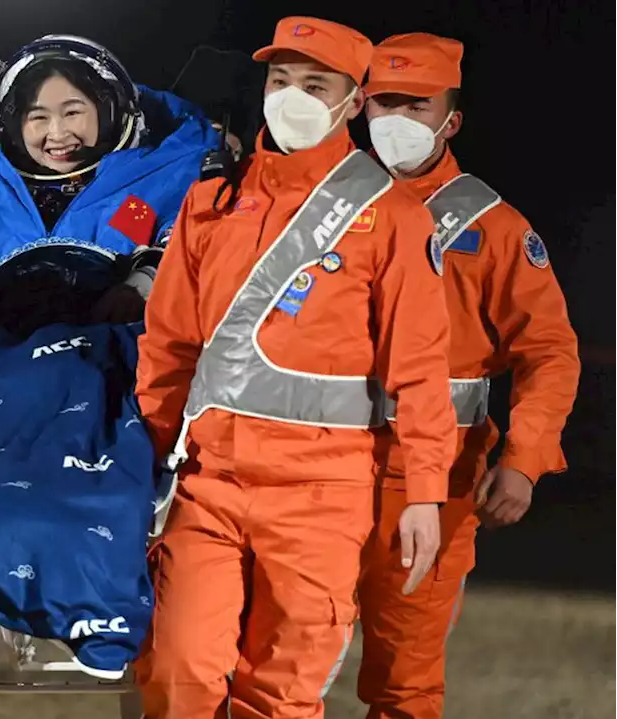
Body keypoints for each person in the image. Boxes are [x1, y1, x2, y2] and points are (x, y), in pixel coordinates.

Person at [134, 17, 457, 718]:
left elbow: (420, 366)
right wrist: (144, 456)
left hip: (325, 497)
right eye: (280, 81)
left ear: (354, 100)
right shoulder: (210, 201)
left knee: (280, 692)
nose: (292, 98)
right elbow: (168, 348)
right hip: (207, 483)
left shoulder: (394, 217)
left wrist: (425, 490)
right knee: (178, 670)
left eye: (316, 85)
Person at [356, 34, 580, 719]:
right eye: (383, 101)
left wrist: (525, 456)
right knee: (278, 656)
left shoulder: (496, 228)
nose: (395, 117)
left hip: (436, 476)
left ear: (450, 121)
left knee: (405, 678)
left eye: (415, 105)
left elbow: (549, 350)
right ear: (359, 106)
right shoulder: (319, 207)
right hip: (312, 464)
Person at [0, 34, 219, 336]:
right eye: (38, 117)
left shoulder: (165, 173)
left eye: (73, 113)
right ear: (12, 122)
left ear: (111, 109)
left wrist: (139, 285)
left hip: (115, 355)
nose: (58, 133)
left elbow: (183, 240)